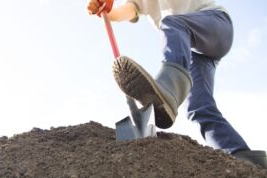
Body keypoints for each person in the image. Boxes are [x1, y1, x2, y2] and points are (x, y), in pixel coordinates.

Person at [87, 0, 267, 168]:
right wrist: (107, 11)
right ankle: (242, 156)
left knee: (172, 24)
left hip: (217, 25)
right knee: (198, 107)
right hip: (196, 51)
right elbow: (128, 10)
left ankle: (170, 90)